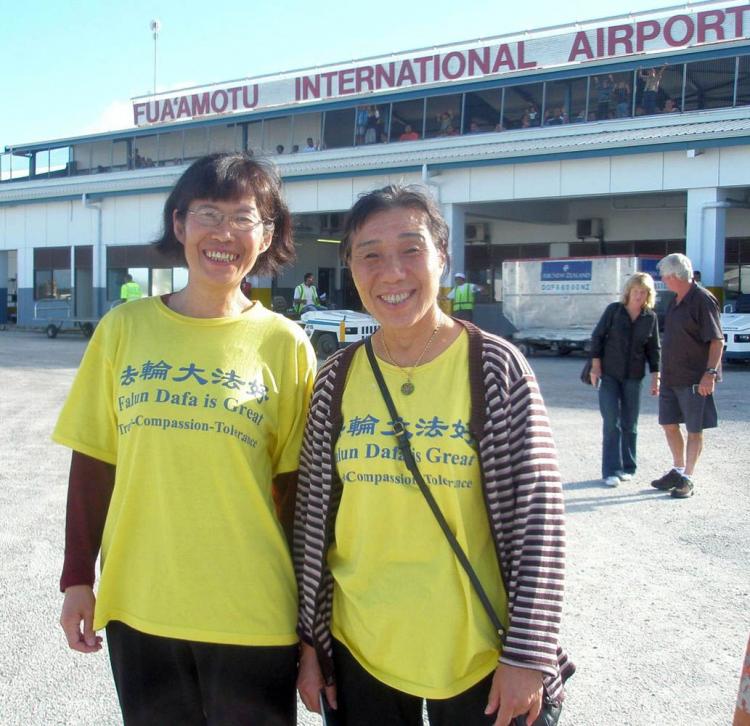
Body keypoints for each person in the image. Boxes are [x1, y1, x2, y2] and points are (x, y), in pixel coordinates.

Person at [53, 152, 316, 724]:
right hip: (141, 606)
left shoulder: (285, 343)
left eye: (244, 217)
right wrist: (77, 577)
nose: (224, 233)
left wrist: (312, 621)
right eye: (207, 214)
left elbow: (297, 493)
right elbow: (94, 461)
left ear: (267, 234)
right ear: (179, 224)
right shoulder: (124, 329)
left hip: (253, 611)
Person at [295, 184, 572, 725]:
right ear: (351, 267)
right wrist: (311, 643)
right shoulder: (336, 378)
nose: (391, 272)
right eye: (370, 255)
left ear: (443, 257)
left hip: (479, 656)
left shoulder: (493, 367)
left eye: (411, 249)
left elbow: (540, 518)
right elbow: (312, 522)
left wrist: (529, 655)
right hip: (360, 651)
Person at [650, 253, 723, 499]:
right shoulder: (676, 300)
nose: (662, 280)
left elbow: (716, 340)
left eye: (664, 276)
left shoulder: (702, 300)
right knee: (668, 423)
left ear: (675, 276)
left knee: (694, 428)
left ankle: (688, 478)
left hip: (694, 377)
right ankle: (677, 469)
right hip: (671, 376)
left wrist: (710, 374)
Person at [589, 273, 661, 487]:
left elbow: (653, 349)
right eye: (636, 291)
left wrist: (656, 378)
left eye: (644, 292)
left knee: (630, 423)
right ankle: (611, 470)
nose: (639, 295)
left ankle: (628, 467)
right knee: (612, 422)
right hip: (609, 374)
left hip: (634, 376)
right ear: (628, 292)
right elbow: (597, 337)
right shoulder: (614, 311)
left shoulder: (650, 317)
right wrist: (595, 366)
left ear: (649, 294)